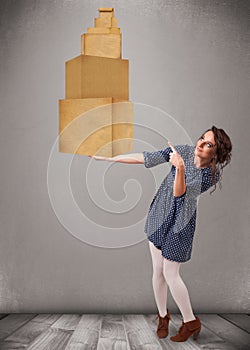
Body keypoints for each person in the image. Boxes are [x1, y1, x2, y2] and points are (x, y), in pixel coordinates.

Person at [90, 125, 232, 342]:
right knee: (158, 271)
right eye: (202, 138)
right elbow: (146, 158)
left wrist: (181, 169)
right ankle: (163, 317)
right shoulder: (183, 151)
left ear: (216, 153)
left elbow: (180, 194)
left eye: (208, 144)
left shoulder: (211, 175)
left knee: (171, 274)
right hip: (159, 216)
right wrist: (109, 159)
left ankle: (190, 321)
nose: (200, 144)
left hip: (180, 224)